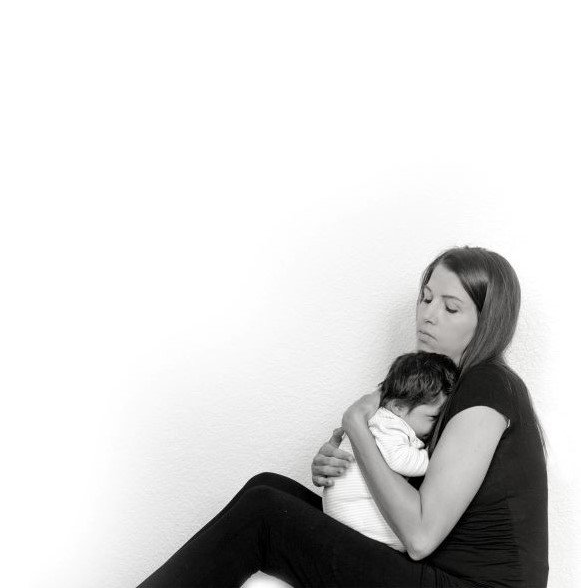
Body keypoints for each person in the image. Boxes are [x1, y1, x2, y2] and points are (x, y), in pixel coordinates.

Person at [137, 246, 548, 588]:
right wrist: (346, 468)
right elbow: (417, 487)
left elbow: (421, 535)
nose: (428, 315)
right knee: (268, 488)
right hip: (436, 571)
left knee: (265, 514)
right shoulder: (446, 385)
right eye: (426, 298)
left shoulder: (487, 386)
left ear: (486, 322)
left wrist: (356, 425)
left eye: (451, 307)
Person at [323, 351, 457, 551]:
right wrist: (433, 458)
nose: (437, 425)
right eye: (432, 418)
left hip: (348, 513)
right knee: (404, 540)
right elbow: (399, 459)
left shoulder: (393, 419)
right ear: (399, 407)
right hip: (353, 516)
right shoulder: (388, 424)